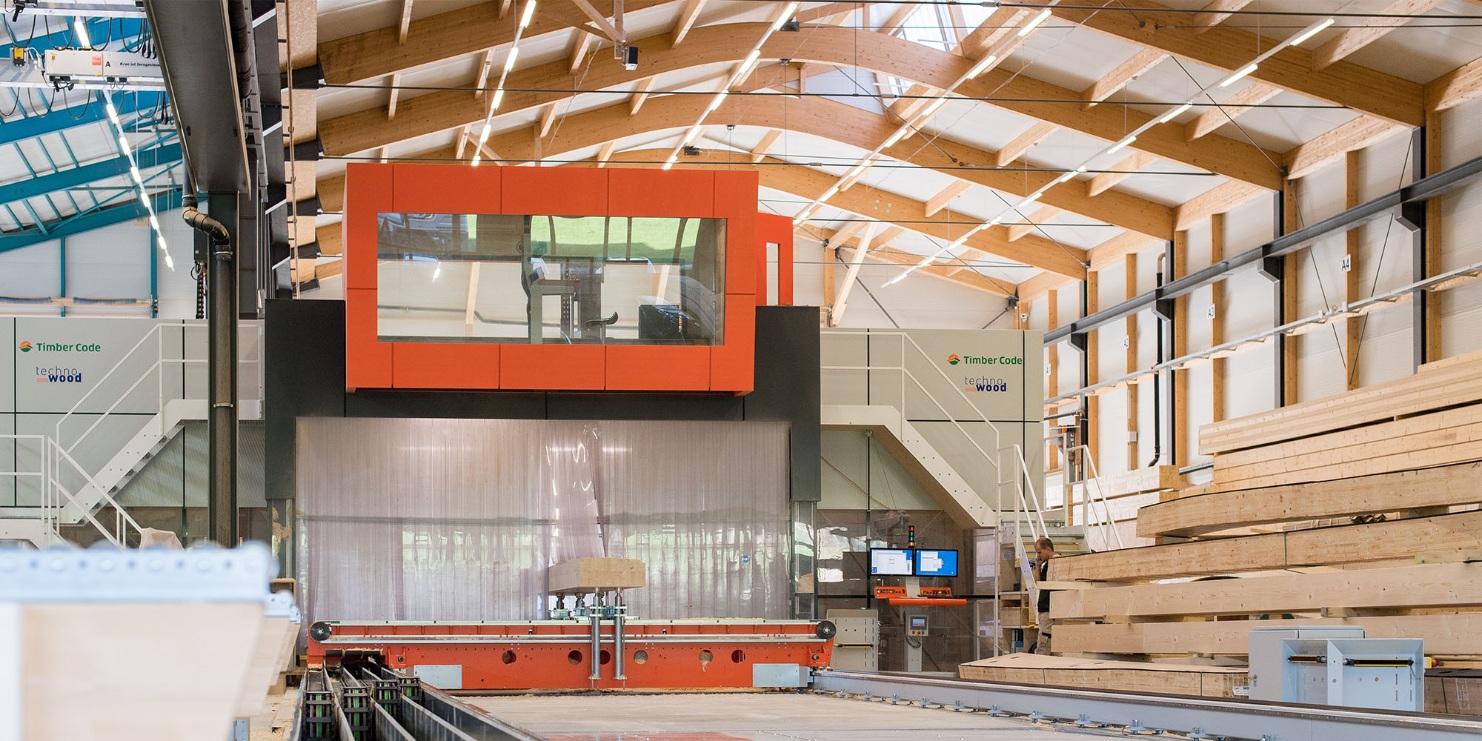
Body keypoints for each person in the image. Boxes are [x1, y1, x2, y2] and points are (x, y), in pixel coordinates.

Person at [1033, 537, 1057, 654]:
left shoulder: (1057, 562)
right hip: (1045, 608)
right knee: (1044, 642)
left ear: (1047, 549)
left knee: (1046, 642)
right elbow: (1038, 583)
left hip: (1052, 608)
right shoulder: (1046, 565)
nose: (1039, 555)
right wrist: (1038, 566)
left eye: (1040, 552)